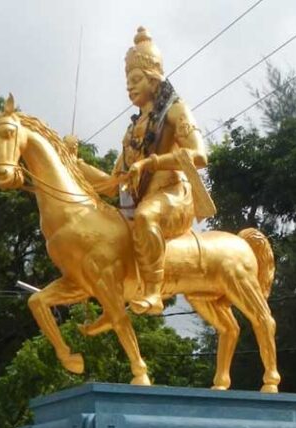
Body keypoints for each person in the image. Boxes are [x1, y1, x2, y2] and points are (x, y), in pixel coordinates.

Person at [76, 26, 216, 315]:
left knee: (145, 215)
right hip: (144, 196)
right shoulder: (132, 130)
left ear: (154, 79)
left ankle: (153, 292)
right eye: (127, 81)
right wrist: (73, 164)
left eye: (136, 79)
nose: (130, 87)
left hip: (174, 195)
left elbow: (200, 155)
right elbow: (113, 183)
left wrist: (153, 162)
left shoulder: (176, 111)